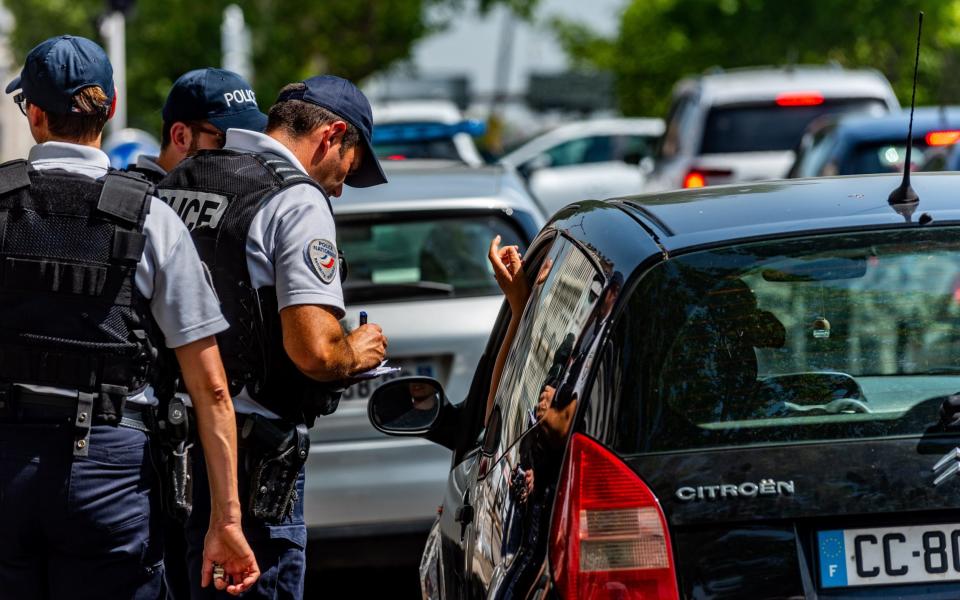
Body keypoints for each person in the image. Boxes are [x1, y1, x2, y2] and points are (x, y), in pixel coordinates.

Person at [0, 34, 259, 598]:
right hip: (109, 469)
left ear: (36, 114)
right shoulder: (153, 219)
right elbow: (211, 388)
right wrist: (227, 521)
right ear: (111, 108)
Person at [157, 75, 389, 600]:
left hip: (171, 456)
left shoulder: (183, 177)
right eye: (347, 169)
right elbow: (314, 351)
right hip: (252, 472)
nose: (339, 185)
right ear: (331, 136)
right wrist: (359, 349)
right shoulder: (296, 200)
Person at [129, 67, 267, 184]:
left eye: (250, 140)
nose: (243, 154)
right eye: (224, 140)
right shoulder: (134, 204)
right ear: (181, 137)